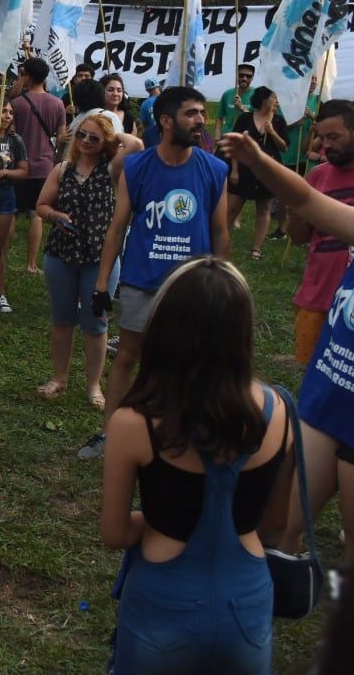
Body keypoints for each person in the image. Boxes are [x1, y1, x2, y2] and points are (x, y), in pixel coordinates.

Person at [100, 258, 290, 674]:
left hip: (163, 601)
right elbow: (275, 525)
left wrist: (161, 519)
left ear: (165, 327)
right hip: (248, 602)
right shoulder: (279, 413)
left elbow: (114, 532)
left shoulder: (133, 423)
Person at [221, 125, 354, 563]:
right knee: (284, 524)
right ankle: (276, 593)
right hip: (326, 402)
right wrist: (256, 159)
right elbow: (307, 201)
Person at [80, 87, 229, 460]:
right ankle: (112, 435)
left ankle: (180, 434)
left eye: (201, 113)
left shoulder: (214, 169)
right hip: (142, 279)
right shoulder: (138, 166)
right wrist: (101, 285)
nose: (200, 121)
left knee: (189, 361)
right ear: (165, 121)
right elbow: (117, 227)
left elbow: (220, 232)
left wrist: (221, 283)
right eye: (191, 114)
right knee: (129, 356)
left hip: (192, 286)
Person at [35, 113, 120, 409]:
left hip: (100, 257)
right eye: (81, 134)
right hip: (61, 254)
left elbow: (135, 146)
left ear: (106, 142)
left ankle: (94, 385)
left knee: (96, 321)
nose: (85, 141)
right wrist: (54, 215)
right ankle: (59, 377)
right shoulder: (63, 169)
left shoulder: (112, 169)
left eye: (93, 138)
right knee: (62, 318)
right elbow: (41, 205)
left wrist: (112, 137)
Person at [287, 100, 354, 366]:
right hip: (317, 295)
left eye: (334, 137)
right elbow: (299, 237)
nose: (326, 145)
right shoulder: (317, 176)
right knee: (312, 370)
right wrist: (294, 211)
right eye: (322, 137)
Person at [10, 58, 70, 275]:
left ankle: (2, 256)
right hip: (44, 166)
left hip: (19, 166)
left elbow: (11, 135)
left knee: (13, 213)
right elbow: (62, 137)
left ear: (27, 75)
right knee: (36, 214)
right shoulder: (57, 104)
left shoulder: (16, 104)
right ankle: (31, 263)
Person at [227, 87, 288, 259]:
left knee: (264, 209)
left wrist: (272, 132)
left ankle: (256, 249)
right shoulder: (245, 118)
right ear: (263, 100)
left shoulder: (278, 121)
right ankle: (223, 242)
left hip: (268, 171)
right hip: (245, 169)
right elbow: (235, 145)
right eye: (273, 97)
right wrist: (235, 170)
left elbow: (284, 147)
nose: (276, 101)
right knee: (232, 209)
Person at [217, 63, 255, 135]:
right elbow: (219, 117)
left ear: (252, 78)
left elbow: (256, 120)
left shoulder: (256, 95)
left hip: (246, 138)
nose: (244, 78)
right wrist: (217, 137)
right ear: (236, 76)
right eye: (241, 75)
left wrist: (242, 107)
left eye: (248, 76)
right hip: (228, 136)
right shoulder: (227, 94)